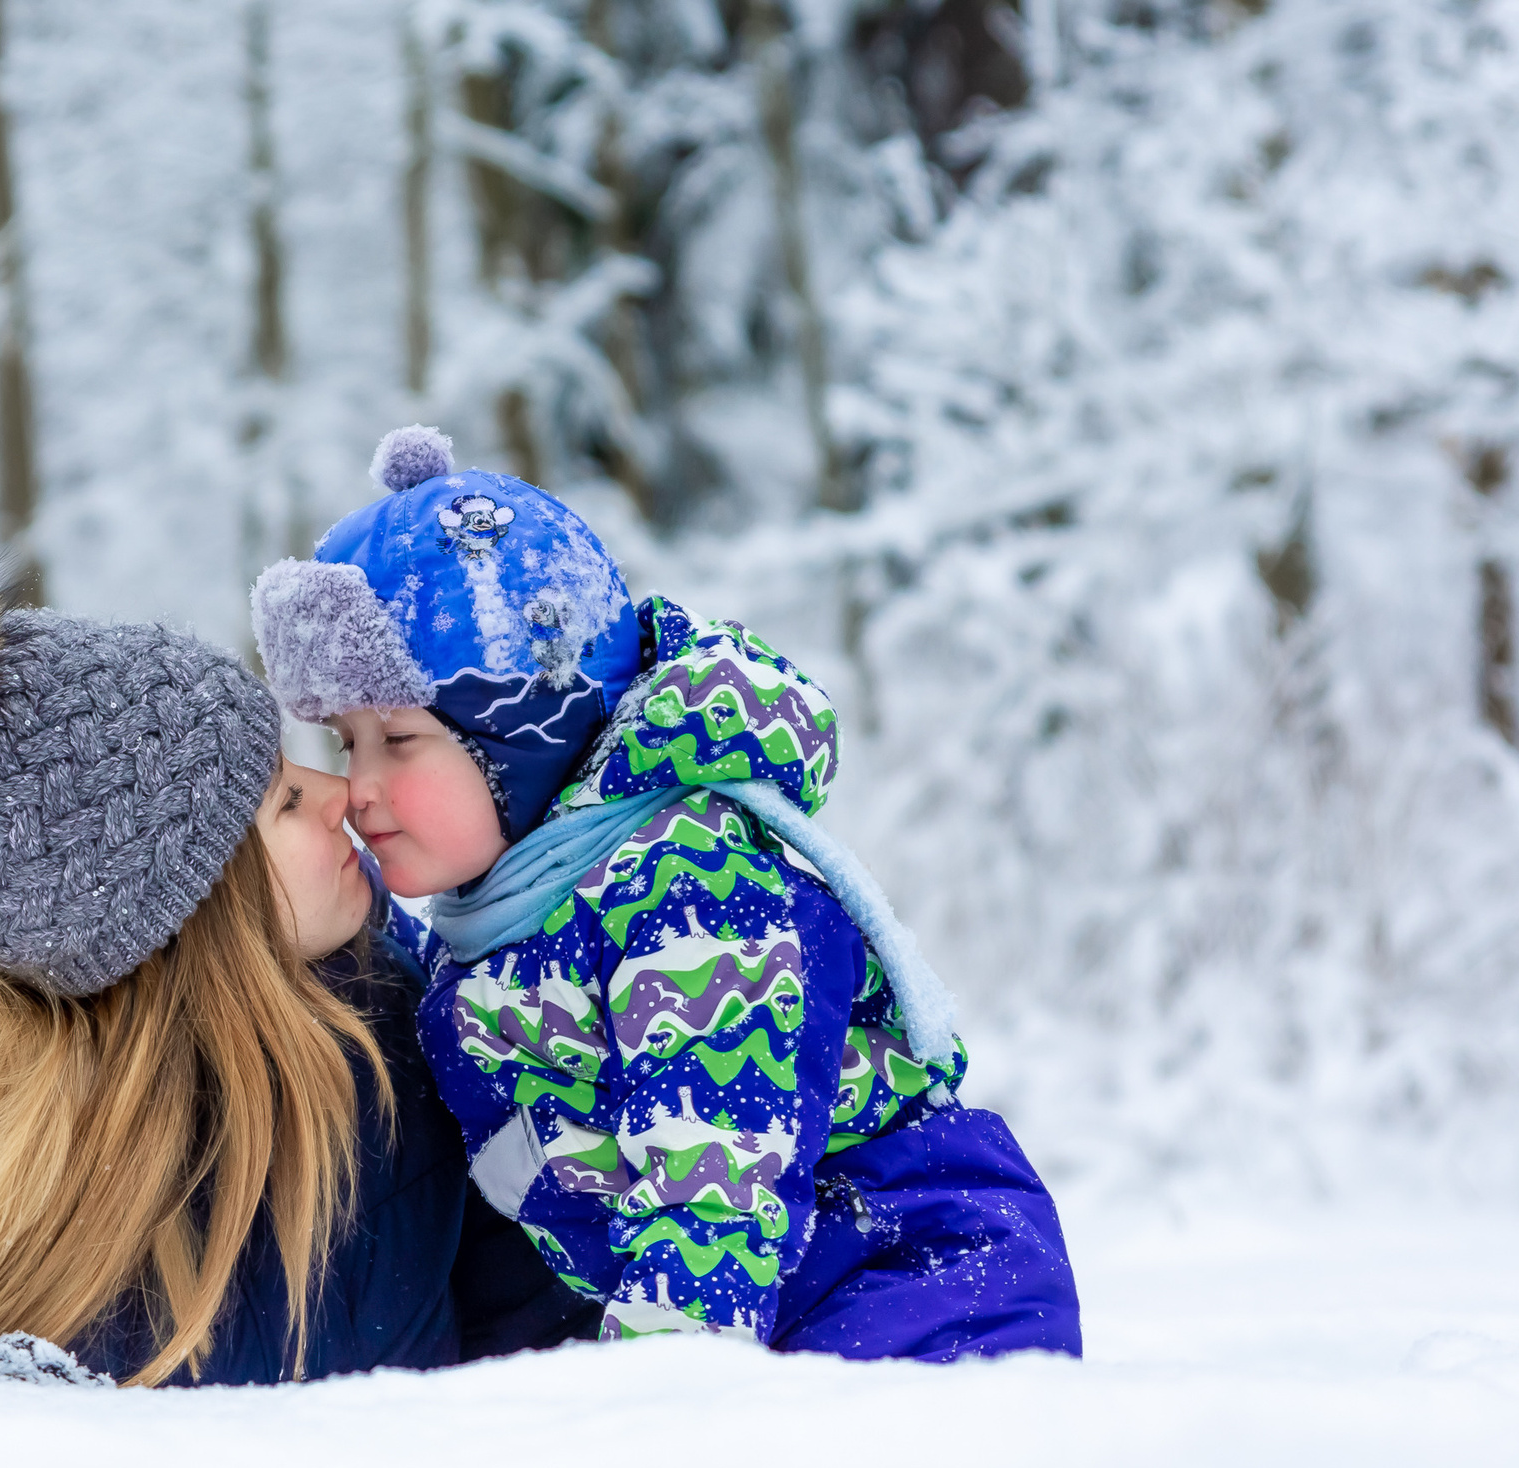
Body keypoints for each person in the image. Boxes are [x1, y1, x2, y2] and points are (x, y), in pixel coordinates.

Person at [250, 426, 1081, 1357]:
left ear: (519, 741)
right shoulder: (507, 901)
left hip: (909, 1269)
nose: (357, 787)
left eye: (397, 741)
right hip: (786, 1296)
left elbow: (717, 1183)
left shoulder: (686, 887)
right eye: (346, 742)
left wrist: (658, 1402)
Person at [0, 542, 593, 1386]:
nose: (339, 789)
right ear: (183, 921)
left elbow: (569, 1352)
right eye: (285, 798)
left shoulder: (413, 1050)